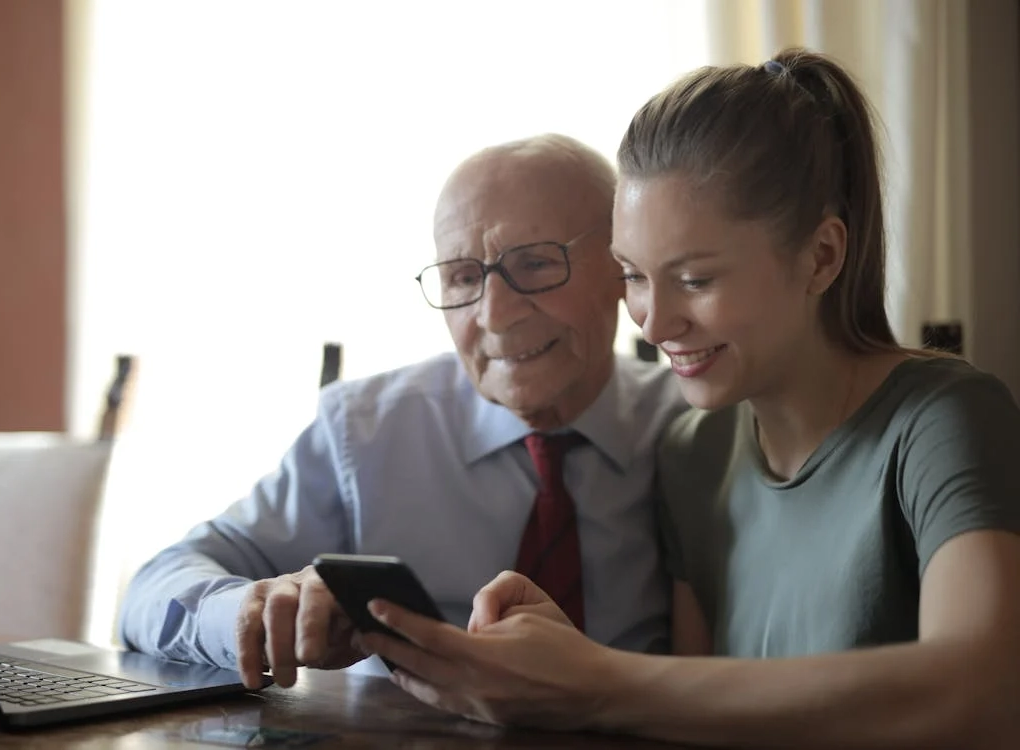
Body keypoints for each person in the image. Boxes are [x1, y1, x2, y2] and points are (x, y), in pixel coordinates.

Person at [356, 48, 1020, 747]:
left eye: (694, 280)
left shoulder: (943, 419)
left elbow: (984, 693)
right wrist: (557, 658)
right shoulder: (692, 452)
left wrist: (591, 679)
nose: (651, 321)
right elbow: (692, 717)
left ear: (821, 257)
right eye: (633, 276)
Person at [118, 134, 688, 690]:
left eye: (536, 265)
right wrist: (251, 610)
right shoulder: (366, 433)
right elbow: (153, 590)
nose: (495, 315)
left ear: (623, 268)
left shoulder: (694, 432)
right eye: (464, 277)